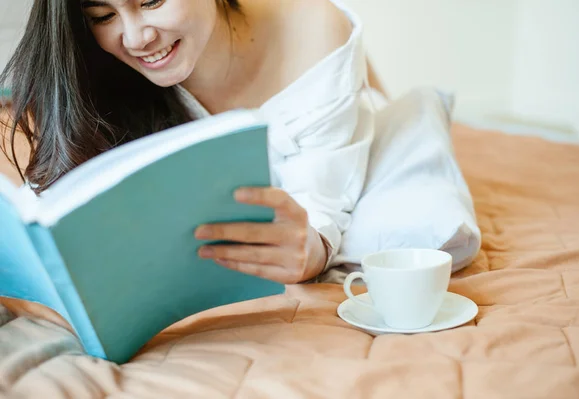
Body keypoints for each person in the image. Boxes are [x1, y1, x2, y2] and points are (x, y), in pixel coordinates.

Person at [0, 0, 480, 285]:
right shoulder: (93, 72)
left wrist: (311, 250)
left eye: (151, 0)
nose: (136, 36)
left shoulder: (310, 28)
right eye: (103, 14)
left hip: (337, 145)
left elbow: (323, 212)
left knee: (419, 222)